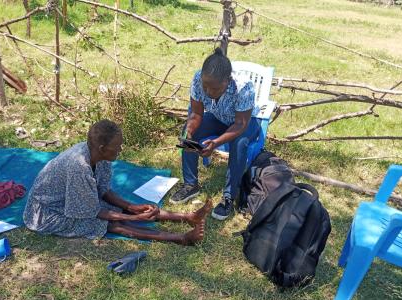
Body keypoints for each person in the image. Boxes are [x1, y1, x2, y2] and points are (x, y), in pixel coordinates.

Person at [23, 119, 212, 245]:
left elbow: (103, 191)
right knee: (103, 224)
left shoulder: (99, 156)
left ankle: (188, 217)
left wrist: (132, 207)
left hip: (70, 200)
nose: (120, 150)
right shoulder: (79, 166)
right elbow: (91, 212)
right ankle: (181, 238)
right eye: (117, 147)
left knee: (118, 211)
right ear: (102, 147)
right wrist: (131, 218)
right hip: (45, 212)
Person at [169, 48, 261, 221]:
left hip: (244, 123)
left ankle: (228, 197)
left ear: (227, 80)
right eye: (206, 87)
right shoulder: (198, 78)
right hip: (218, 118)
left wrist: (215, 143)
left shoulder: (243, 86)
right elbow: (196, 114)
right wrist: (189, 130)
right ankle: (191, 184)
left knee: (239, 143)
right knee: (188, 133)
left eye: (215, 88)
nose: (209, 92)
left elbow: (241, 124)